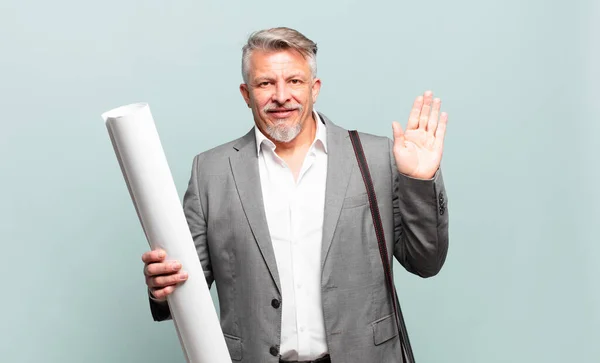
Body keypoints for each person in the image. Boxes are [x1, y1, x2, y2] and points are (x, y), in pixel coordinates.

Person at [142, 27, 449, 363]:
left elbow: (425, 262)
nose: (281, 95)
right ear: (246, 93)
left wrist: (419, 180)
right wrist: (162, 287)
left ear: (314, 88)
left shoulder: (375, 157)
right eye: (265, 83)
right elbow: (187, 288)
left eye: (294, 81)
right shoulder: (210, 171)